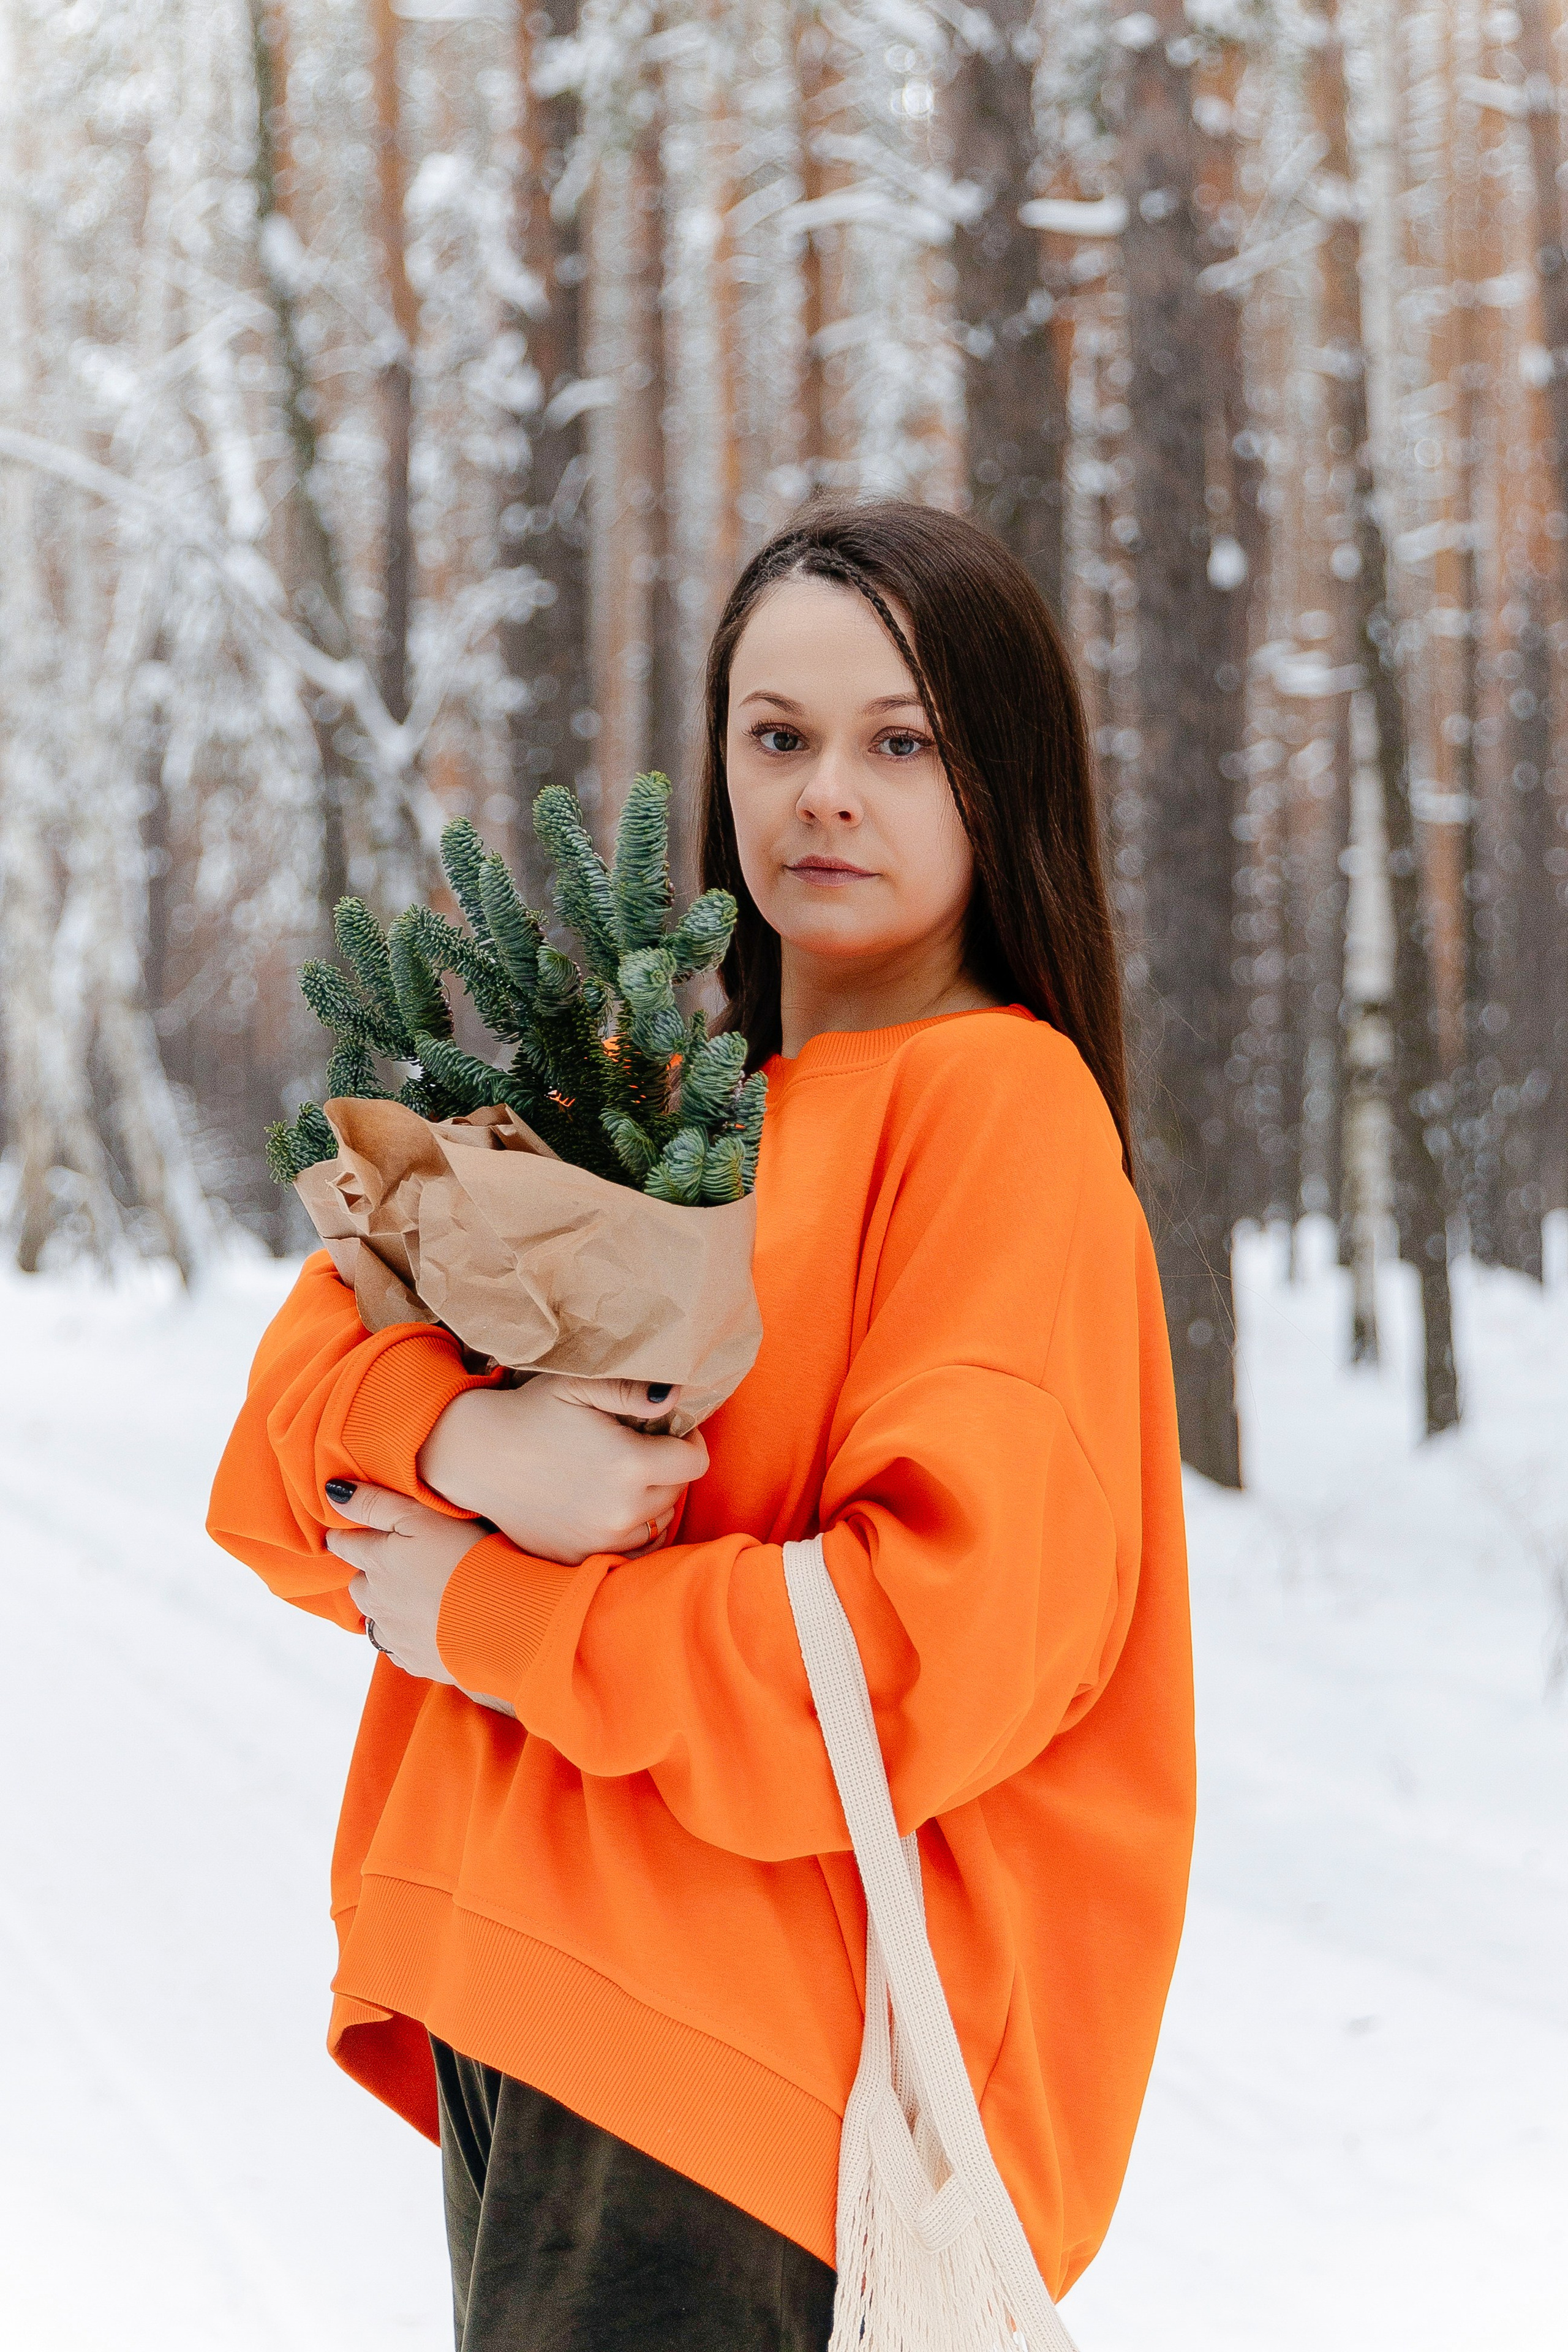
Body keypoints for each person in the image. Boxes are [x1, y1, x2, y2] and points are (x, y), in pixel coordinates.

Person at [208, 498, 1194, 2352]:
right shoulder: (652, 1083)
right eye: (778, 733)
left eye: (900, 741)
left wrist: (495, 1618)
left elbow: (924, 1656)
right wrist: (474, 1453)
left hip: (741, 2058)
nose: (828, 792)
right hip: (540, 2009)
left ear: (1003, 780)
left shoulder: (997, 1114)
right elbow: (277, 1438)